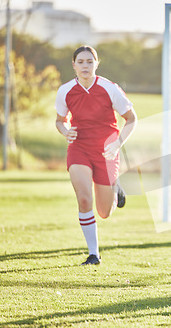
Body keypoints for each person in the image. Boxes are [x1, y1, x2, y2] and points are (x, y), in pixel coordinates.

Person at [55, 46, 137, 265]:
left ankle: (115, 187)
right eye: (80, 62)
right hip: (79, 147)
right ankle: (93, 254)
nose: (85, 66)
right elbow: (59, 121)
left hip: (106, 151)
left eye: (89, 61)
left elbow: (131, 119)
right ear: (73, 65)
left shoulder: (110, 88)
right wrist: (66, 131)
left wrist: (119, 143)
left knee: (104, 212)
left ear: (96, 64)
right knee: (83, 198)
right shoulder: (65, 91)